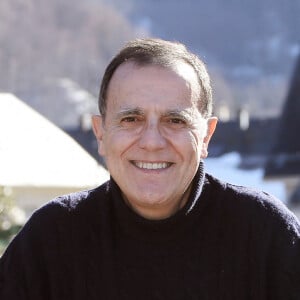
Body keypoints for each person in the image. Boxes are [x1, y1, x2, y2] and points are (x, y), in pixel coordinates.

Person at [0, 38, 299, 299]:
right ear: (101, 133)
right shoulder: (51, 240)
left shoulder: (265, 234)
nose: (152, 142)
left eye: (175, 121)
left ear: (206, 136)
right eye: (131, 119)